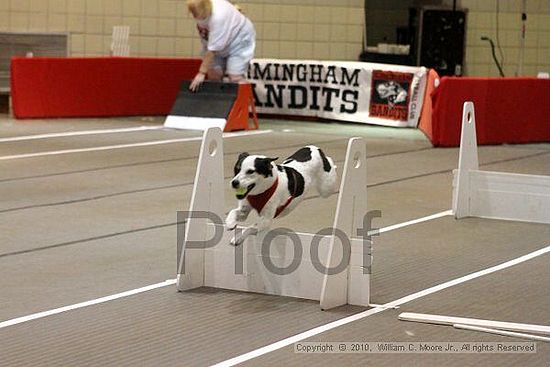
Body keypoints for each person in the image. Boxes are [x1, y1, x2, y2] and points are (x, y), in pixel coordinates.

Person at [187, 0, 256, 92]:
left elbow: (213, 50)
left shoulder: (218, 17)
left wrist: (201, 73)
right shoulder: (203, 12)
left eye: (196, 12)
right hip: (218, 40)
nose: (194, 16)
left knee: (235, 76)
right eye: (193, 12)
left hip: (238, 39)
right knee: (214, 75)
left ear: (205, 8)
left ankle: (246, 100)